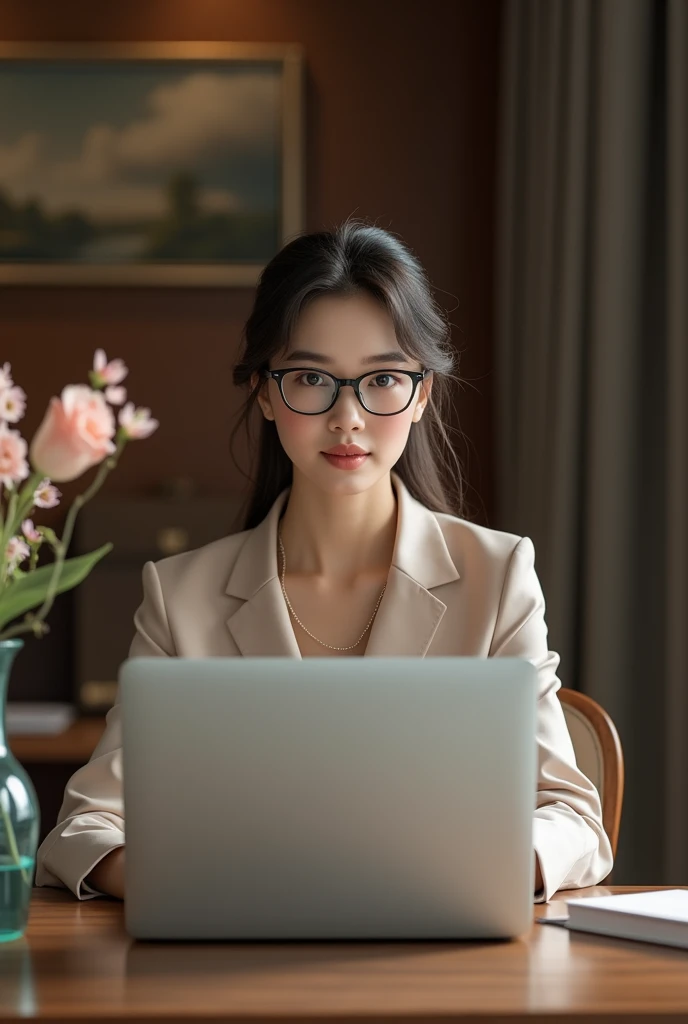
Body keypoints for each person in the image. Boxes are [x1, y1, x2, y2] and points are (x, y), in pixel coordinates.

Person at [35, 218, 613, 904]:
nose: (349, 419)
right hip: (236, 962)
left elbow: (575, 820)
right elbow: (84, 829)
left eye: (383, 380)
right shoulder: (181, 595)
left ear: (422, 392)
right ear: (264, 390)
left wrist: (475, 878)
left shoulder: (498, 575)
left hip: (443, 961)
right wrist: (204, 888)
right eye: (312, 378)